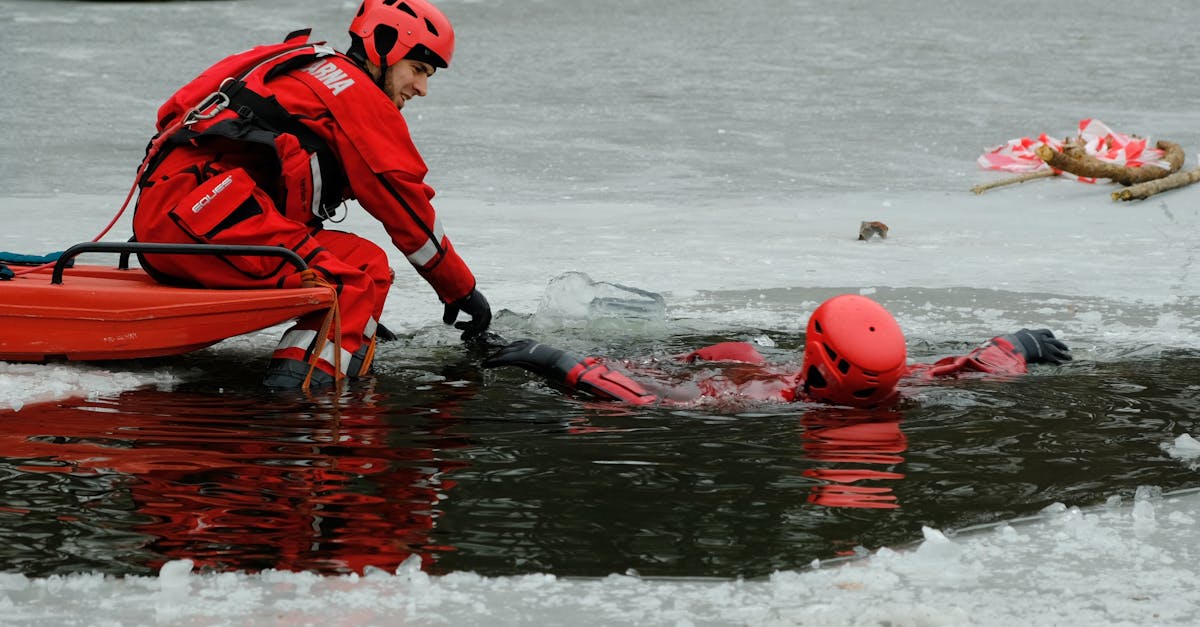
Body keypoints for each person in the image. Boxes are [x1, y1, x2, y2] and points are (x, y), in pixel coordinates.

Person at [130, 0, 490, 390]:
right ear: (382, 47)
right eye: (418, 69)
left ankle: (329, 362)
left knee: (369, 265)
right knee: (349, 287)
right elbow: (406, 209)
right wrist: (460, 291)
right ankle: (301, 408)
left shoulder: (311, 69)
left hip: (186, 214)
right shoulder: (356, 96)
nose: (421, 88)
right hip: (201, 220)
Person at [480, 294, 1071, 407]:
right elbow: (958, 371)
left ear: (818, 351)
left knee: (732, 353)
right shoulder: (898, 386)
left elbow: (642, 398)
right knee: (737, 351)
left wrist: (554, 358)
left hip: (732, 381)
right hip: (774, 378)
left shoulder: (763, 396)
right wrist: (1010, 346)